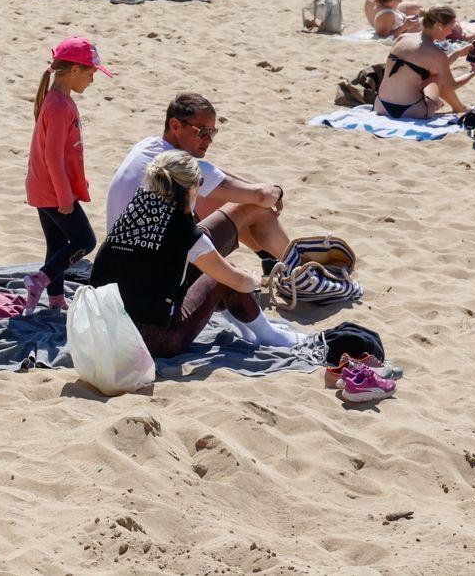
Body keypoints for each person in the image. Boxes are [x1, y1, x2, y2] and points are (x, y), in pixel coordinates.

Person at [92, 150, 301, 357]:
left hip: (102, 330)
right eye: (200, 183)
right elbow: (236, 281)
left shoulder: (136, 210)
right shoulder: (184, 232)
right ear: (191, 188)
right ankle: (268, 334)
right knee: (224, 277)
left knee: (204, 264)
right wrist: (255, 280)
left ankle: (246, 325)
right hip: (154, 341)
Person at [105, 94, 307, 284]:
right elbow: (262, 196)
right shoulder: (184, 170)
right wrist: (277, 191)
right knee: (254, 208)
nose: (209, 139)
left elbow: (217, 175)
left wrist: (256, 187)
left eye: (212, 132)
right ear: (175, 125)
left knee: (220, 197)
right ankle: (302, 273)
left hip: (119, 261)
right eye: (202, 132)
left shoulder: (148, 146)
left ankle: (270, 258)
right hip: (159, 273)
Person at [21, 37, 109, 313]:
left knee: (57, 244)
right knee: (85, 241)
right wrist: (64, 195)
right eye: (91, 74)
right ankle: (39, 279)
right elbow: (53, 156)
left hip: (42, 187)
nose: (92, 80)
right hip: (52, 191)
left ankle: (55, 299)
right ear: (74, 70)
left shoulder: (57, 99)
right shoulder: (59, 106)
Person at [375, 7, 475, 118]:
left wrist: (456, 54)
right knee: (436, 76)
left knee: (430, 73)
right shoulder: (436, 52)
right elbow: (451, 85)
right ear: (439, 26)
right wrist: (473, 72)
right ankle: (459, 107)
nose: (451, 32)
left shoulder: (402, 37)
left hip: (381, 106)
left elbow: (421, 65)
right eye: (451, 27)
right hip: (409, 110)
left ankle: (453, 105)